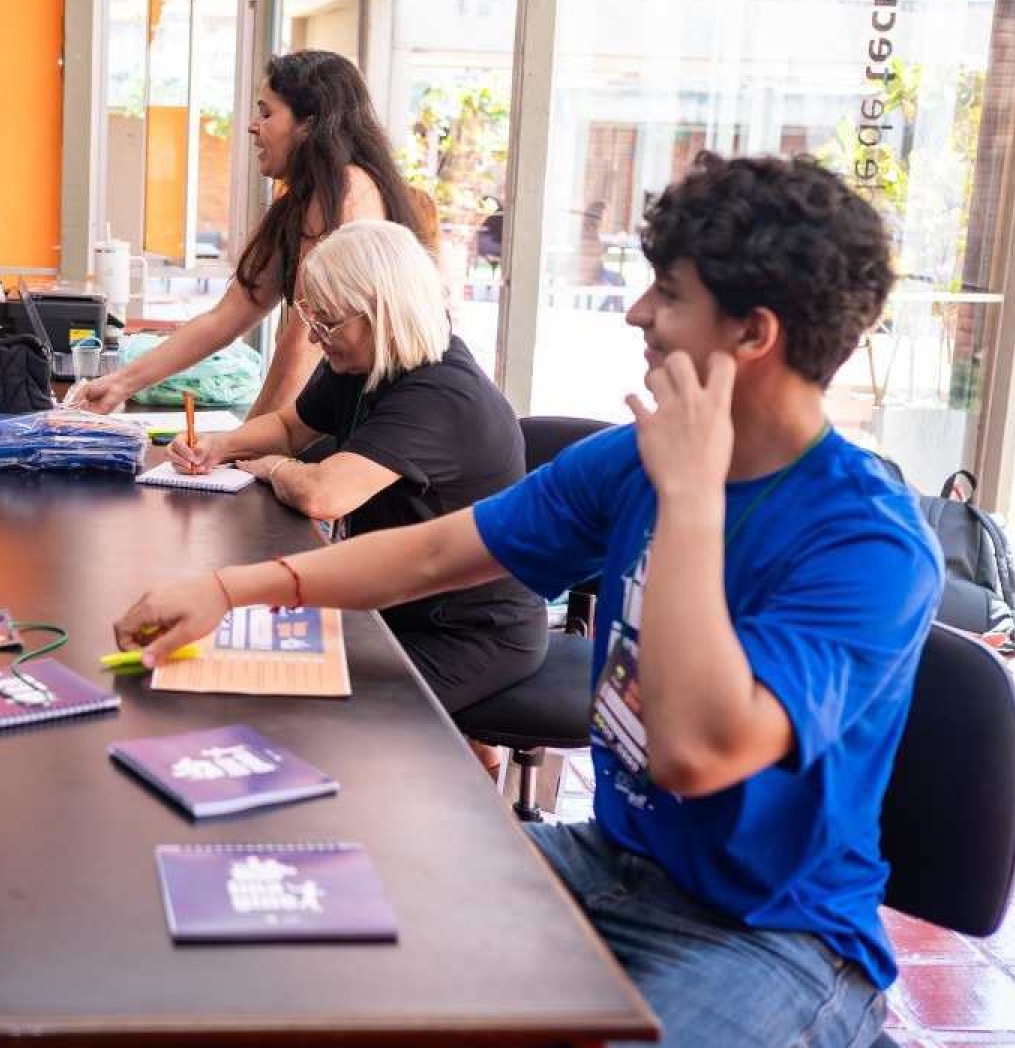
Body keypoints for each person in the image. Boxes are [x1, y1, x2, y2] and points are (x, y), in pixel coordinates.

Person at [115, 153, 942, 1047]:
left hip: (774, 938)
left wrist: (694, 498)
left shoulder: (870, 543)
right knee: (289, 932)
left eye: (666, 294)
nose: (637, 315)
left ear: (754, 335)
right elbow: (437, 551)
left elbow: (697, 753)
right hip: (611, 862)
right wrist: (227, 589)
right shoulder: (634, 460)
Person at [168, 219, 544, 724]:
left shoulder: (442, 394)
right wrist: (221, 445)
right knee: (242, 667)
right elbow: (288, 427)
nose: (320, 340)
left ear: (381, 311)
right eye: (315, 321)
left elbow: (325, 495)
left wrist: (274, 468)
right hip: (394, 604)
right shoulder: (359, 362)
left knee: (323, 722)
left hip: (468, 632)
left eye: (330, 324)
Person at [67, 49, 425, 419]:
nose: (254, 126)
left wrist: (246, 443)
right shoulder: (302, 201)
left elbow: (304, 339)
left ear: (309, 122)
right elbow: (228, 315)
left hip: (379, 420)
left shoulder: (348, 190)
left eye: (267, 114)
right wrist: (120, 383)